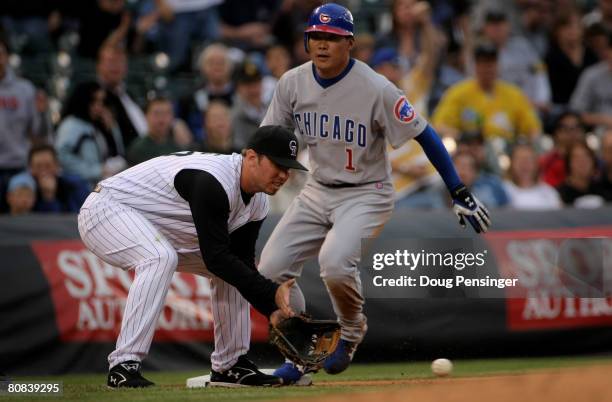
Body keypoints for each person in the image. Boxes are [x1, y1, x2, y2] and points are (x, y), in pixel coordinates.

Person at [255, 3, 490, 384]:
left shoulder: (377, 87)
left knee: (334, 262)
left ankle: (350, 333)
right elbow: (268, 140)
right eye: (316, 36)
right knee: (269, 271)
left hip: (367, 192)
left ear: (350, 43)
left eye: (331, 38)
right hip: (317, 189)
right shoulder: (292, 83)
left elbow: (425, 134)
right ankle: (299, 358)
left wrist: (457, 188)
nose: (322, 44)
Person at [77, 125, 306, 388]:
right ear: (252, 157)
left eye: (289, 168)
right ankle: (123, 365)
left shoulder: (258, 203)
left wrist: (273, 310)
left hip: (156, 225)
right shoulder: (213, 181)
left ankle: (230, 365)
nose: (284, 175)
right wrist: (271, 294)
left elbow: (238, 263)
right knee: (160, 258)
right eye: (278, 164)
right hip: (106, 210)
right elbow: (215, 256)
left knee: (232, 271)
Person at [432, 43, 542, 142]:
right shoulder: (458, 92)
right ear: (475, 66)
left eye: (491, 63)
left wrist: (528, 142)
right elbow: (439, 124)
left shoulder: (514, 94)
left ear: (497, 65)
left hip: (506, 150)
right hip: (471, 149)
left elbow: (533, 128)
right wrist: (461, 136)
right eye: (483, 63)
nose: (487, 68)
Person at [55, 81, 126, 188]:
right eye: (95, 101)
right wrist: (96, 171)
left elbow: (118, 151)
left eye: (102, 102)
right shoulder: (71, 125)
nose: (99, 107)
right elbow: (62, 158)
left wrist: (112, 128)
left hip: (97, 186)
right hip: (79, 188)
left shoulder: (94, 124)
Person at [28, 144, 90, 213]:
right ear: (30, 168)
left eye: (48, 166)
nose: (44, 172)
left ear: (57, 166)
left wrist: (49, 197)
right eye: (38, 166)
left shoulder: (74, 187)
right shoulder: (25, 190)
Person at [126, 97, 183, 166]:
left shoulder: (177, 145)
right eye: (156, 113)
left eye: (166, 113)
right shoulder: (138, 150)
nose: (162, 119)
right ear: (146, 116)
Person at [503, 143, 562, 210]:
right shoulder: (502, 191)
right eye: (519, 159)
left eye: (529, 159)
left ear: (537, 164)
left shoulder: (550, 193)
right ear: (511, 164)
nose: (524, 164)